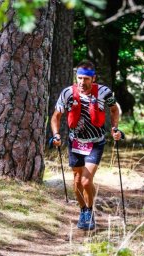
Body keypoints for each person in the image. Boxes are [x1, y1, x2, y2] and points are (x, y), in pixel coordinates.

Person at [50, 60, 123, 230]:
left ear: (93, 78)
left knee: (85, 180)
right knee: (76, 183)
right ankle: (83, 210)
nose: (82, 82)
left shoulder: (104, 92)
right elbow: (56, 117)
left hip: (95, 143)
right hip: (75, 142)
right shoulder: (67, 93)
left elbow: (114, 109)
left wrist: (115, 128)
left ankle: (89, 213)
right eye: (79, 78)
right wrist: (56, 135)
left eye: (86, 79)